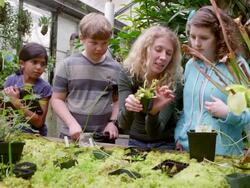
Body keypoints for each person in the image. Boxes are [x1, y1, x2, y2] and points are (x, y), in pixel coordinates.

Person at [175, 6, 250, 156]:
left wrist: (228, 113)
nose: (196, 44)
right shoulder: (192, 65)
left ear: (220, 37)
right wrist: (179, 136)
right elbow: (187, 110)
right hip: (187, 150)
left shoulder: (236, 66)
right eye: (193, 36)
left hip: (223, 155)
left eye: (203, 38)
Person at [51, 13, 121, 141]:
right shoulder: (67, 65)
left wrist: (113, 123)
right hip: (71, 134)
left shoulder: (116, 68)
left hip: (102, 136)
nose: (99, 48)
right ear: (82, 38)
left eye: (104, 43)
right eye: (94, 43)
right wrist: (71, 123)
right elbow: (56, 100)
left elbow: (117, 100)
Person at [118, 25, 183, 149]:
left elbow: (155, 133)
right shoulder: (128, 73)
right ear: (145, 49)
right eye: (158, 49)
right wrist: (129, 107)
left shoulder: (174, 81)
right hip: (134, 141)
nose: (163, 57)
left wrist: (154, 112)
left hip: (164, 143)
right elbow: (123, 124)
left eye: (168, 53)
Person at [3, 42, 52, 136]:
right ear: (22, 63)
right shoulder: (11, 80)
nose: (39, 67)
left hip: (35, 136)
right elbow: (4, 111)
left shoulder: (44, 88)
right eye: (34, 62)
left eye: (43, 64)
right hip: (11, 134)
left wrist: (16, 102)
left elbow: (38, 122)